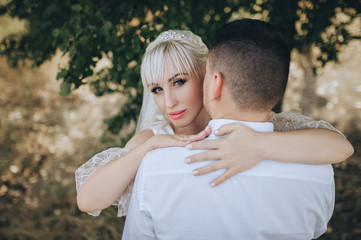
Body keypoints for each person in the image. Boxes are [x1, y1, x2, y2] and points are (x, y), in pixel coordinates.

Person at [75, 27, 353, 217]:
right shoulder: (151, 138)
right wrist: (151, 146)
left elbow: (341, 148)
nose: (168, 102)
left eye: (179, 82)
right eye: (157, 89)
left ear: (208, 76)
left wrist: (260, 145)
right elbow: (88, 201)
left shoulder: (255, 122)